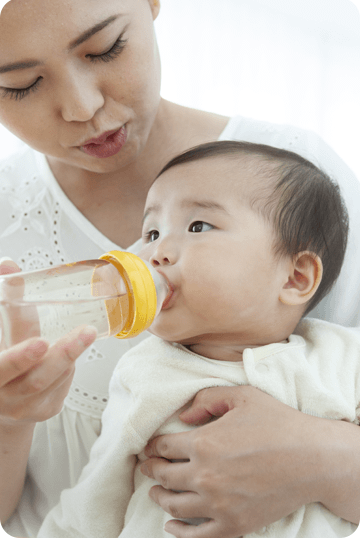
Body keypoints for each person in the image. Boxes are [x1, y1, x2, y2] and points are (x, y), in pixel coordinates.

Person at [0, 0, 360, 538]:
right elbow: (92, 505)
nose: (82, 107)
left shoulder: (296, 184)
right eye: (21, 84)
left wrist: (328, 459)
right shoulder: (147, 375)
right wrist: (10, 418)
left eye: (105, 49)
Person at [35, 140, 358, 538]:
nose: (155, 252)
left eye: (197, 226)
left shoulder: (344, 358)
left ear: (295, 277)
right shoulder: (147, 371)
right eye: (152, 231)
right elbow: (99, 493)